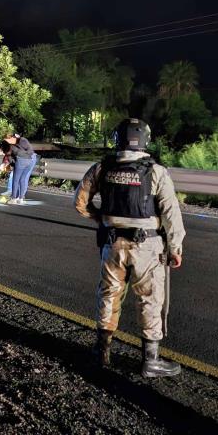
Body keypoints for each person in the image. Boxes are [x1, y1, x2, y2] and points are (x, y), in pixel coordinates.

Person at [74, 118, 186, 378]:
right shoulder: (156, 171)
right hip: (148, 246)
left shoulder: (102, 168)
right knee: (149, 299)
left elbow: (80, 203)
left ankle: (101, 353)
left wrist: (103, 220)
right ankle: (151, 361)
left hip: (112, 244)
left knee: (108, 295)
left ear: (118, 139)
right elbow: (171, 214)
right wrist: (175, 247)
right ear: (145, 139)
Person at [2, 132, 37, 205]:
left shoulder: (18, 142)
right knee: (23, 179)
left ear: (11, 138)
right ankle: (20, 199)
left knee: (16, 179)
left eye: (6, 139)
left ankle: (13, 199)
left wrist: (12, 163)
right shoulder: (15, 143)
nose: (6, 141)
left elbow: (9, 157)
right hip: (29, 160)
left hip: (24, 159)